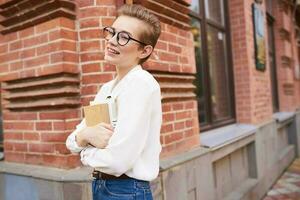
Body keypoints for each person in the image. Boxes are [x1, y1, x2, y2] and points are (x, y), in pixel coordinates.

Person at [66, 4, 162, 200]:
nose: (111, 41)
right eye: (111, 32)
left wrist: (85, 152)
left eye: (124, 37)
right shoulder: (107, 89)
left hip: (126, 190)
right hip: (104, 186)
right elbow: (72, 141)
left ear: (144, 51)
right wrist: (85, 134)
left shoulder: (141, 84)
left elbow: (117, 161)